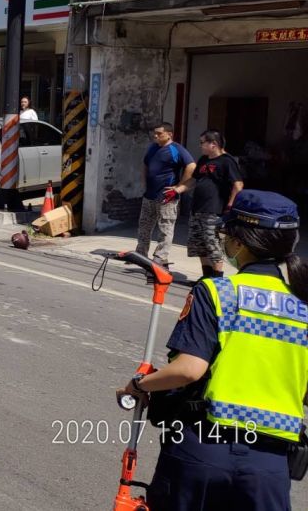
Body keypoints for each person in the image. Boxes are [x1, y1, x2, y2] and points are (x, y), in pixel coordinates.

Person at [117, 190, 308, 511]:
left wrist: (138, 385)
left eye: (227, 235)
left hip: (204, 451)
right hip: (269, 465)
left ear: (239, 243)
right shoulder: (302, 305)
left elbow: (189, 369)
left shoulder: (218, 293)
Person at [187, 130, 244, 279]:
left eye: (202, 142)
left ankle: (217, 278)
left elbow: (238, 185)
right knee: (199, 245)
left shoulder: (227, 161)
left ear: (213, 144)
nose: (200, 145)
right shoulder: (203, 160)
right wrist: (177, 189)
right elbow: (193, 180)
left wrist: (230, 206)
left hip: (213, 209)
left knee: (212, 244)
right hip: (197, 208)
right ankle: (206, 277)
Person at [137, 122, 196, 267]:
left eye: (159, 133)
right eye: (155, 133)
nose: (155, 136)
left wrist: (179, 186)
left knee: (165, 228)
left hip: (166, 197)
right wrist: (144, 182)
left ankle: (160, 257)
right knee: (144, 226)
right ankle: (140, 254)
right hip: (149, 196)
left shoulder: (176, 149)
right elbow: (145, 164)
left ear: (169, 134)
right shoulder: (153, 148)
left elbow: (191, 166)